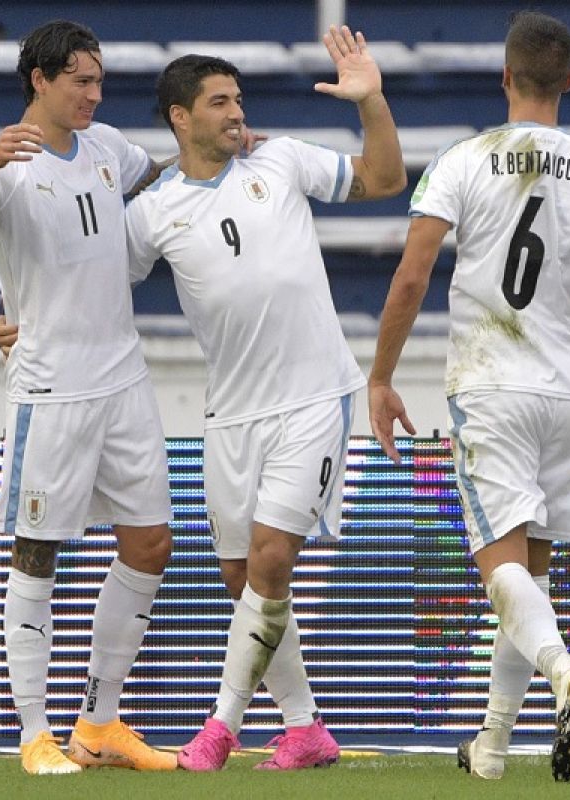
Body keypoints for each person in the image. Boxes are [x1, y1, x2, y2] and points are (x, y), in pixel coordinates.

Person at [367, 11, 570, 782]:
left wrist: (381, 377)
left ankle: (561, 673)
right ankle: (490, 747)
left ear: (506, 77)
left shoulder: (462, 159)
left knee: (499, 571)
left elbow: (412, 276)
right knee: (531, 580)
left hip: (490, 385)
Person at [122, 28, 405, 771]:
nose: (235, 113)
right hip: (231, 416)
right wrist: (18, 313)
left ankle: (218, 730)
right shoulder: (154, 212)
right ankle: (307, 728)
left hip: (315, 396)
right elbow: (86, 278)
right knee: (242, 578)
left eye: (239, 99)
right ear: (180, 118)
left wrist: (371, 101)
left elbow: (383, 178)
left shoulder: (279, 159)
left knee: (273, 560)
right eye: (219, 102)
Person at [0, 20, 177, 775]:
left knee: (151, 543)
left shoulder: (105, 149)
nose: (95, 95)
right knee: (37, 554)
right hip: (52, 385)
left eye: (100, 81)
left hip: (124, 378)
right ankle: (33, 734)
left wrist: (214, 153)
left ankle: (99, 724)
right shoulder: (3, 161)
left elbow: (155, 178)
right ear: (39, 79)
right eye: (81, 80)